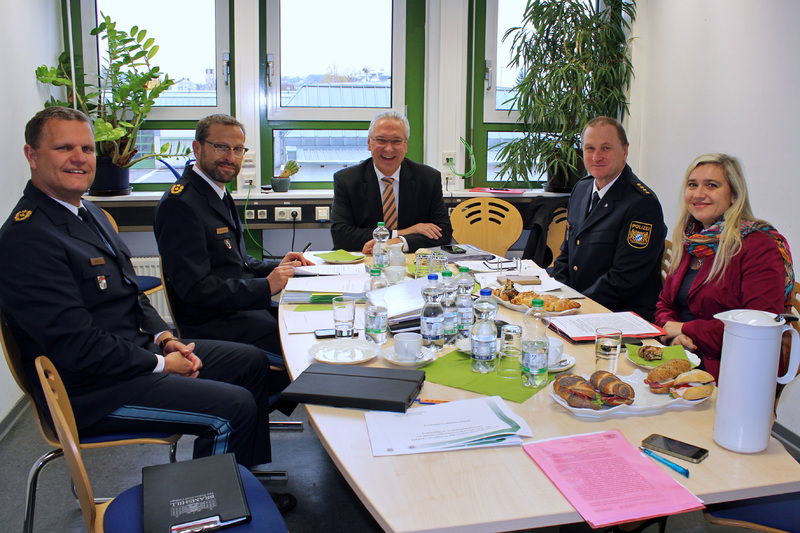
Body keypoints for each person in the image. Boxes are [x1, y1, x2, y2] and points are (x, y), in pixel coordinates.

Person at [0, 107, 279, 472]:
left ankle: (245, 480)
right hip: (92, 391)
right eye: (64, 148)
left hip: (132, 356)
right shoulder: (28, 238)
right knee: (234, 406)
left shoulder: (90, 214)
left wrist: (164, 338)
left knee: (251, 362)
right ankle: (208, 512)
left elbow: (132, 293)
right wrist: (162, 365)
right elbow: (77, 346)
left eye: (85, 148)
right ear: (32, 155)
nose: (79, 159)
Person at [154, 114, 312, 356]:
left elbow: (238, 263)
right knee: (309, 342)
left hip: (240, 310)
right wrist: (266, 286)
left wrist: (278, 267)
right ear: (197, 148)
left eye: (238, 149)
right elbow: (195, 289)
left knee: (312, 320)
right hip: (214, 323)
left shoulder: (216, 192)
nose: (230, 157)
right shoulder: (181, 204)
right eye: (221, 147)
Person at [656, 153, 794, 380]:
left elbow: (754, 331)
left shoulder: (758, 246)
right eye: (693, 185)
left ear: (734, 195)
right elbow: (665, 303)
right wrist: (673, 337)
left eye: (712, 185)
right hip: (681, 356)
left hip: (733, 374)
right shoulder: (693, 239)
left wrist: (684, 330)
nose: (699, 194)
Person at [551, 116, 666, 321]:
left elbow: (624, 279)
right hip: (580, 308)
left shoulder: (642, 204)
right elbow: (566, 254)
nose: (596, 157)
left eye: (606, 148)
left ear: (625, 150)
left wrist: (575, 306)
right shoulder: (582, 188)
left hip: (620, 315)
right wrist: (555, 295)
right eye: (589, 148)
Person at [330, 110, 452, 253]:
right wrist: (403, 232)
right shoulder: (347, 180)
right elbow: (341, 235)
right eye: (381, 140)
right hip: (364, 262)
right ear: (369, 143)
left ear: (406, 145)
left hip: (411, 263)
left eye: (396, 141)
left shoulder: (428, 179)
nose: (388, 148)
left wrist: (399, 242)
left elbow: (443, 233)